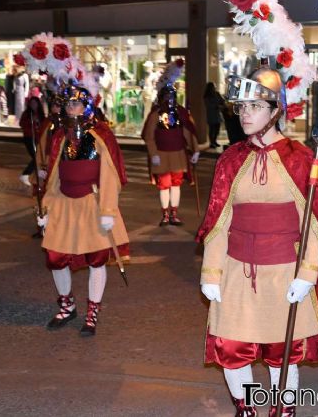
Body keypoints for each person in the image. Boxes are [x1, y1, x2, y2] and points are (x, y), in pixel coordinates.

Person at [198, 67, 318, 417]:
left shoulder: (302, 159)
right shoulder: (230, 159)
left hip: (285, 270)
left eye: (256, 106)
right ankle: (247, 407)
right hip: (237, 272)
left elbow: (316, 222)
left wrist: (308, 273)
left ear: (275, 111)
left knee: (280, 349)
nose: (246, 114)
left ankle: (283, 410)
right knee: (232, 345)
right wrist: (211, 273)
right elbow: (219, 222)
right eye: (242, 107)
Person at [37, 80, 129, 336]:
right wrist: (45, 208)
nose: (69, 108)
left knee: (96, 259)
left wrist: (108, 211)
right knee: (55, 258)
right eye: (66, 104)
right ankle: (67, 305)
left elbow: (110, 175)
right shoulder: (59, 136)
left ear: (86, 106)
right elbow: (53, 176)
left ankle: (92, 311)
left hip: (93, 202)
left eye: (75, 103)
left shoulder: (100, 134)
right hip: (64, 204)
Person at [142, 59, 199, 226]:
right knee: (164, 185)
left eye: (172, 96)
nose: (170, 99)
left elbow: (188, 132)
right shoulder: (156, 114)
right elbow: (149, 136)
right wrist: (153, 154)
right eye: (167, 96)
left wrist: (195, 150)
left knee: (176, 185)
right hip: (161, 154)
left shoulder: (180, 113)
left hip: (178, 154)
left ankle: (174, 213)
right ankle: (165, 214)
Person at [18, 96, 45, 186]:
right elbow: (22, 124)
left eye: (35, 103)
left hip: (38, 138)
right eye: (32, 103)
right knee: (35, 157)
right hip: (29, 138)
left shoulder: (41, 114)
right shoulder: (27, 113)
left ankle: (30, 175)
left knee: (37, 157)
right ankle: (26, 174)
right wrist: (31, 121)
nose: (33, 105)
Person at [203, 82, 224, 148]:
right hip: (211, 114)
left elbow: (222, 101)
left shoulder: (217, 94)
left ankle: (214, 141)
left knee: (217, 129)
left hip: (217, 114)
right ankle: (211, 143)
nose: (215, 88)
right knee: (212, 129)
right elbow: (208, 105)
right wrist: (217, 105)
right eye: (213, 87)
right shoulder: (207, 96)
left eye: (215, 87)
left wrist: (221, 101)